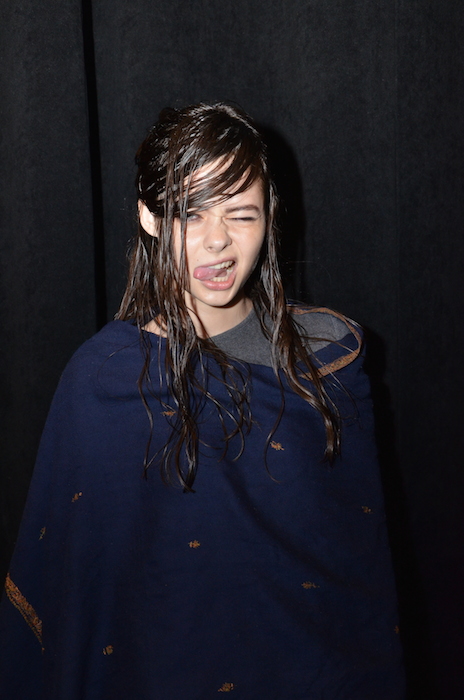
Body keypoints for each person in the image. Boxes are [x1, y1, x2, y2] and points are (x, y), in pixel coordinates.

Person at [0, 102, 404, 698]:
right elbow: (80, 594)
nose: (219, 242)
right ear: (150, 216)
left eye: (242, 214)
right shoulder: (103, 382)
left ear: (270, 218)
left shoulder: (330, 357)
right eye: (191, 213)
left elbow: (359, 577)